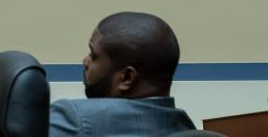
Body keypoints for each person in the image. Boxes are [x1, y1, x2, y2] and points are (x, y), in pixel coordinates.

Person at [49, 12, 196, 136]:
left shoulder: (75, 120)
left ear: (127, 78)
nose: (85, 61)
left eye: (93, 56)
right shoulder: (187, 127)